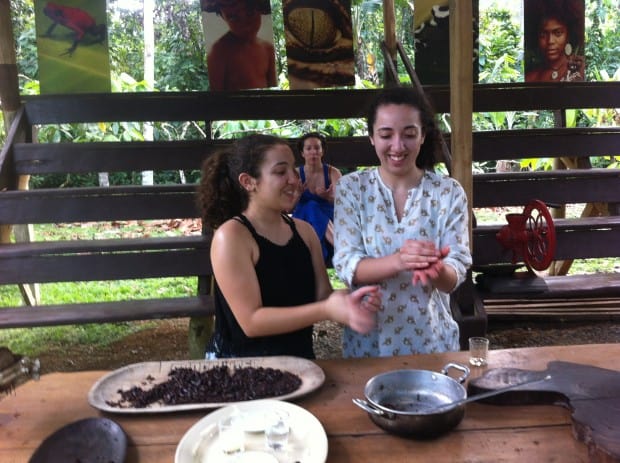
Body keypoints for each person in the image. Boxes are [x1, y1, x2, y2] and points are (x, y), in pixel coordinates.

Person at [197, 134, 381, 359]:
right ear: (248, 182)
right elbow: (251, 322)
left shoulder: (305, 232)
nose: (294, 179)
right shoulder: (232, 236)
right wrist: (325, 310)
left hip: (301, 363)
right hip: (242, 370)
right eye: (280, 172)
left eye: (294, 169)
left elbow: (323, 296)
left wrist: (352, 299)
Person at [333, 86, 473, 358]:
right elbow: (347, 265)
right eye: (386, 135)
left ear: (422, 136)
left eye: (409, 134)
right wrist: (400, 260)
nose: (397, 146)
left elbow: (455, 272)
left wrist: (437, 269)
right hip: (368, 346)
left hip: (432, 343)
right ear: (372, 137)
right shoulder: (352, 189)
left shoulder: (448, 192)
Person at [202, 0, 277, 91]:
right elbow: (216, 97)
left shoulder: (268, 48)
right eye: (233, 17)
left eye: (250, 13)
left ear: (260, 10)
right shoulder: (219, 52)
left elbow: (274, 89)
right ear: (223, 18)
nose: (244, 24)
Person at [292, 132, 342, 266]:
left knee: (313, 206)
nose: (313, 152)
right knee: (311, 206)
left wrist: (328, 197)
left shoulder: (333, 172)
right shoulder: (295, 174)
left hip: (328, 216)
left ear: (322, 151)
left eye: (317, 148)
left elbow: (343, 203)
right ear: (302, 153)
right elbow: (288, 207)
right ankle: (339, 244)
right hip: (303, 218)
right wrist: (297, 194)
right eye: (308, 149)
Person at [524, 0, 585, 82]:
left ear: (568, 35)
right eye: (543, 35)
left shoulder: (580, 69)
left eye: (558, 33)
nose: (550, 41)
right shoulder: (530, 78)